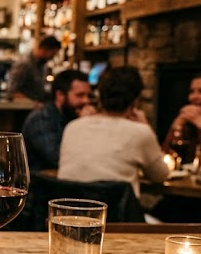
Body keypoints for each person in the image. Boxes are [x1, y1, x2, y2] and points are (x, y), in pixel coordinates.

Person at [58, 66, 168, 197]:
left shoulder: (72, 127)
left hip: (71, 214)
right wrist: (146, 126)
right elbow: (160, 175)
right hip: (117, 216)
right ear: (135, 101)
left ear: (100, 97)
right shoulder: (140, 132)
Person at [21, 69, 95, 172]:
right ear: (60, 95)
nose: (86, 101)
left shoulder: (71, 114)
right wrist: (82, 124)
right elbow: (57, 159)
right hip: (41, 183)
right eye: (80, 95)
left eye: (88, 95)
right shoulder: (41, 118)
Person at [6, 35, 62, 102]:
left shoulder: (43, 66)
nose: (52, 57)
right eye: (53, 54)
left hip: (37, 109)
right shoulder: (24, 64)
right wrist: (31, 103)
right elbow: (12, 91)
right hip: (24, 110)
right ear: (44, 49)